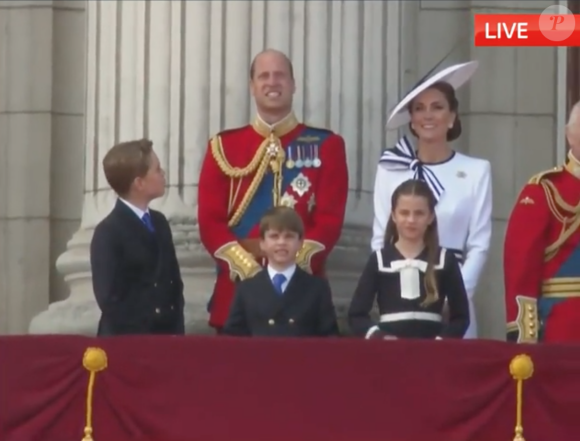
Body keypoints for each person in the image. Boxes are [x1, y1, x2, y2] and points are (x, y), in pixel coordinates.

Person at [198, 49, 349, 333]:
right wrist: (252, 271)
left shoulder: (326, 145)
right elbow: (210, 222)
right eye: (263, 76)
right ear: (252, 86)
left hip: (303, 298)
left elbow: (329, 220)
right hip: (236, 294)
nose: (272, 82)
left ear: (293, 84)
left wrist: (290, 263)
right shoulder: (223, 147)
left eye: (280, 75)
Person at [371, 61, 491, 339]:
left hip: (454, 304)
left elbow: (479, 244)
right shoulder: (390, 169)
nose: (428, 115)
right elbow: (379, 239)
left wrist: (454, 295)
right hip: (399, 302)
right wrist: (390, 292)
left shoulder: (476, 171)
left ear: (452, 116)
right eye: (419, 108)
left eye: (437, 107)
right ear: (411, 119)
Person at [348, 179, 469, 339]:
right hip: (390, 354)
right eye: (404, 213)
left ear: (431, 217)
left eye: (419, 213)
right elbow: (356, 315)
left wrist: (441, 341)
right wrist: (380, 337)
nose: (411, 220)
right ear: (393, 215)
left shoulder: (445, 260)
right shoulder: (378, 260)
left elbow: (461, 317)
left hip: (433, 353)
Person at [90, 139, 185, 336]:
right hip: (130, 343)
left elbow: (174, 284)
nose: (163, 174)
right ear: (139, 183)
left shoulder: (159, 223)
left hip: (166, 339)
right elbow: (110, 299)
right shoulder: (109, 232)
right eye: (157, 170)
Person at [504, 101, 580, 343]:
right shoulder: (545, 190)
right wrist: (525, 334)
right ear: (570, 135)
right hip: (565, 328)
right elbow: (521, 265)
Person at [223, 206, 339, 337]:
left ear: (300, 243)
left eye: (289, 236)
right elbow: (232, 339)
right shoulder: (246, 288)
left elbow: (330, 340)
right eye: (274, 236)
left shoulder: (317, 288)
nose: (281, 242)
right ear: (262, 243)